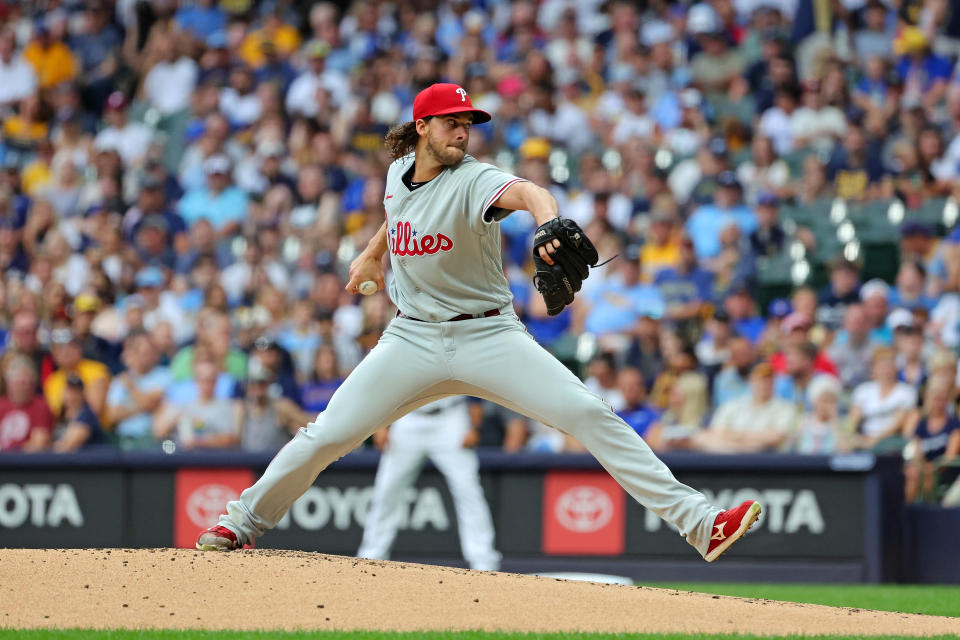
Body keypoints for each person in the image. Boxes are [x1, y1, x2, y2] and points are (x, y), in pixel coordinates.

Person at [197, 83, 762, 563]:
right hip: (411, 336)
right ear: (422, 127)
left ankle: (699, 524)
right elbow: (398, 210)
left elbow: (527, 191)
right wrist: (372, 252)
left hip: (488, 335)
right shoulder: (398, 173)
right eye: (451, 123)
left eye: (467, 124)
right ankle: (240, 524)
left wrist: (548, 221)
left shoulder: (474, 179)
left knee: (589, 412)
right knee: (326, 434)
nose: (462, 133)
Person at [358, 396, 500, 571]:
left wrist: (476, 426)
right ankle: (371, 556)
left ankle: (484, 561)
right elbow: (389, 377)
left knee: (468, 490)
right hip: (408, 415)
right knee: (386, 490)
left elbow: (471, 378)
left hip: (450, 416)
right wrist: (381, 424)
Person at [695, 363, 798, 453]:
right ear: (751, 380)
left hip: (766, 461)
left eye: (768, 380)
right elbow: (716, 431)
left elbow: (777, 437)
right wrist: (748, 444)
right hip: (730, 458)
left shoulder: (785, 408)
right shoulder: (733, 405)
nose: (764, 384)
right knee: (700, 437)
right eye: (760, 379)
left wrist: (734, 436)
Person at [902, 377, 960, 503]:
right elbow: (916, 452)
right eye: (936, 399)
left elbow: (950, 456)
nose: (939, 403)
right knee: (911, 472)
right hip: (923, 471)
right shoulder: (922, 425)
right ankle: (906, 512)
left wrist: (931, 469)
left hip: (946, 471)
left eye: (942, 399)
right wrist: (923, 467)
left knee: (927, 477)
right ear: (928, 399)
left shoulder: (954, 424)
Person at [847, 347, 917, 449]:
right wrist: (848, 434)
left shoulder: (906, 392)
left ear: (896, 367)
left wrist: (875, 439)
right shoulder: (863, 390)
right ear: (873, 368)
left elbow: (898, 423)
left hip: (891, 439)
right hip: (865, 437)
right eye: (882, 365)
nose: (885, 369)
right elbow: (852, 419)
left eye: (889, 364)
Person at [0, 355, 53, 452]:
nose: (25, 388)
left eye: (30, 383)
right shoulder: (1, 404)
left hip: (25, 463)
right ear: (9, 383)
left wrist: (7, 451)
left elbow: (39, 443)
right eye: (21, 383)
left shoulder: (41, 406)